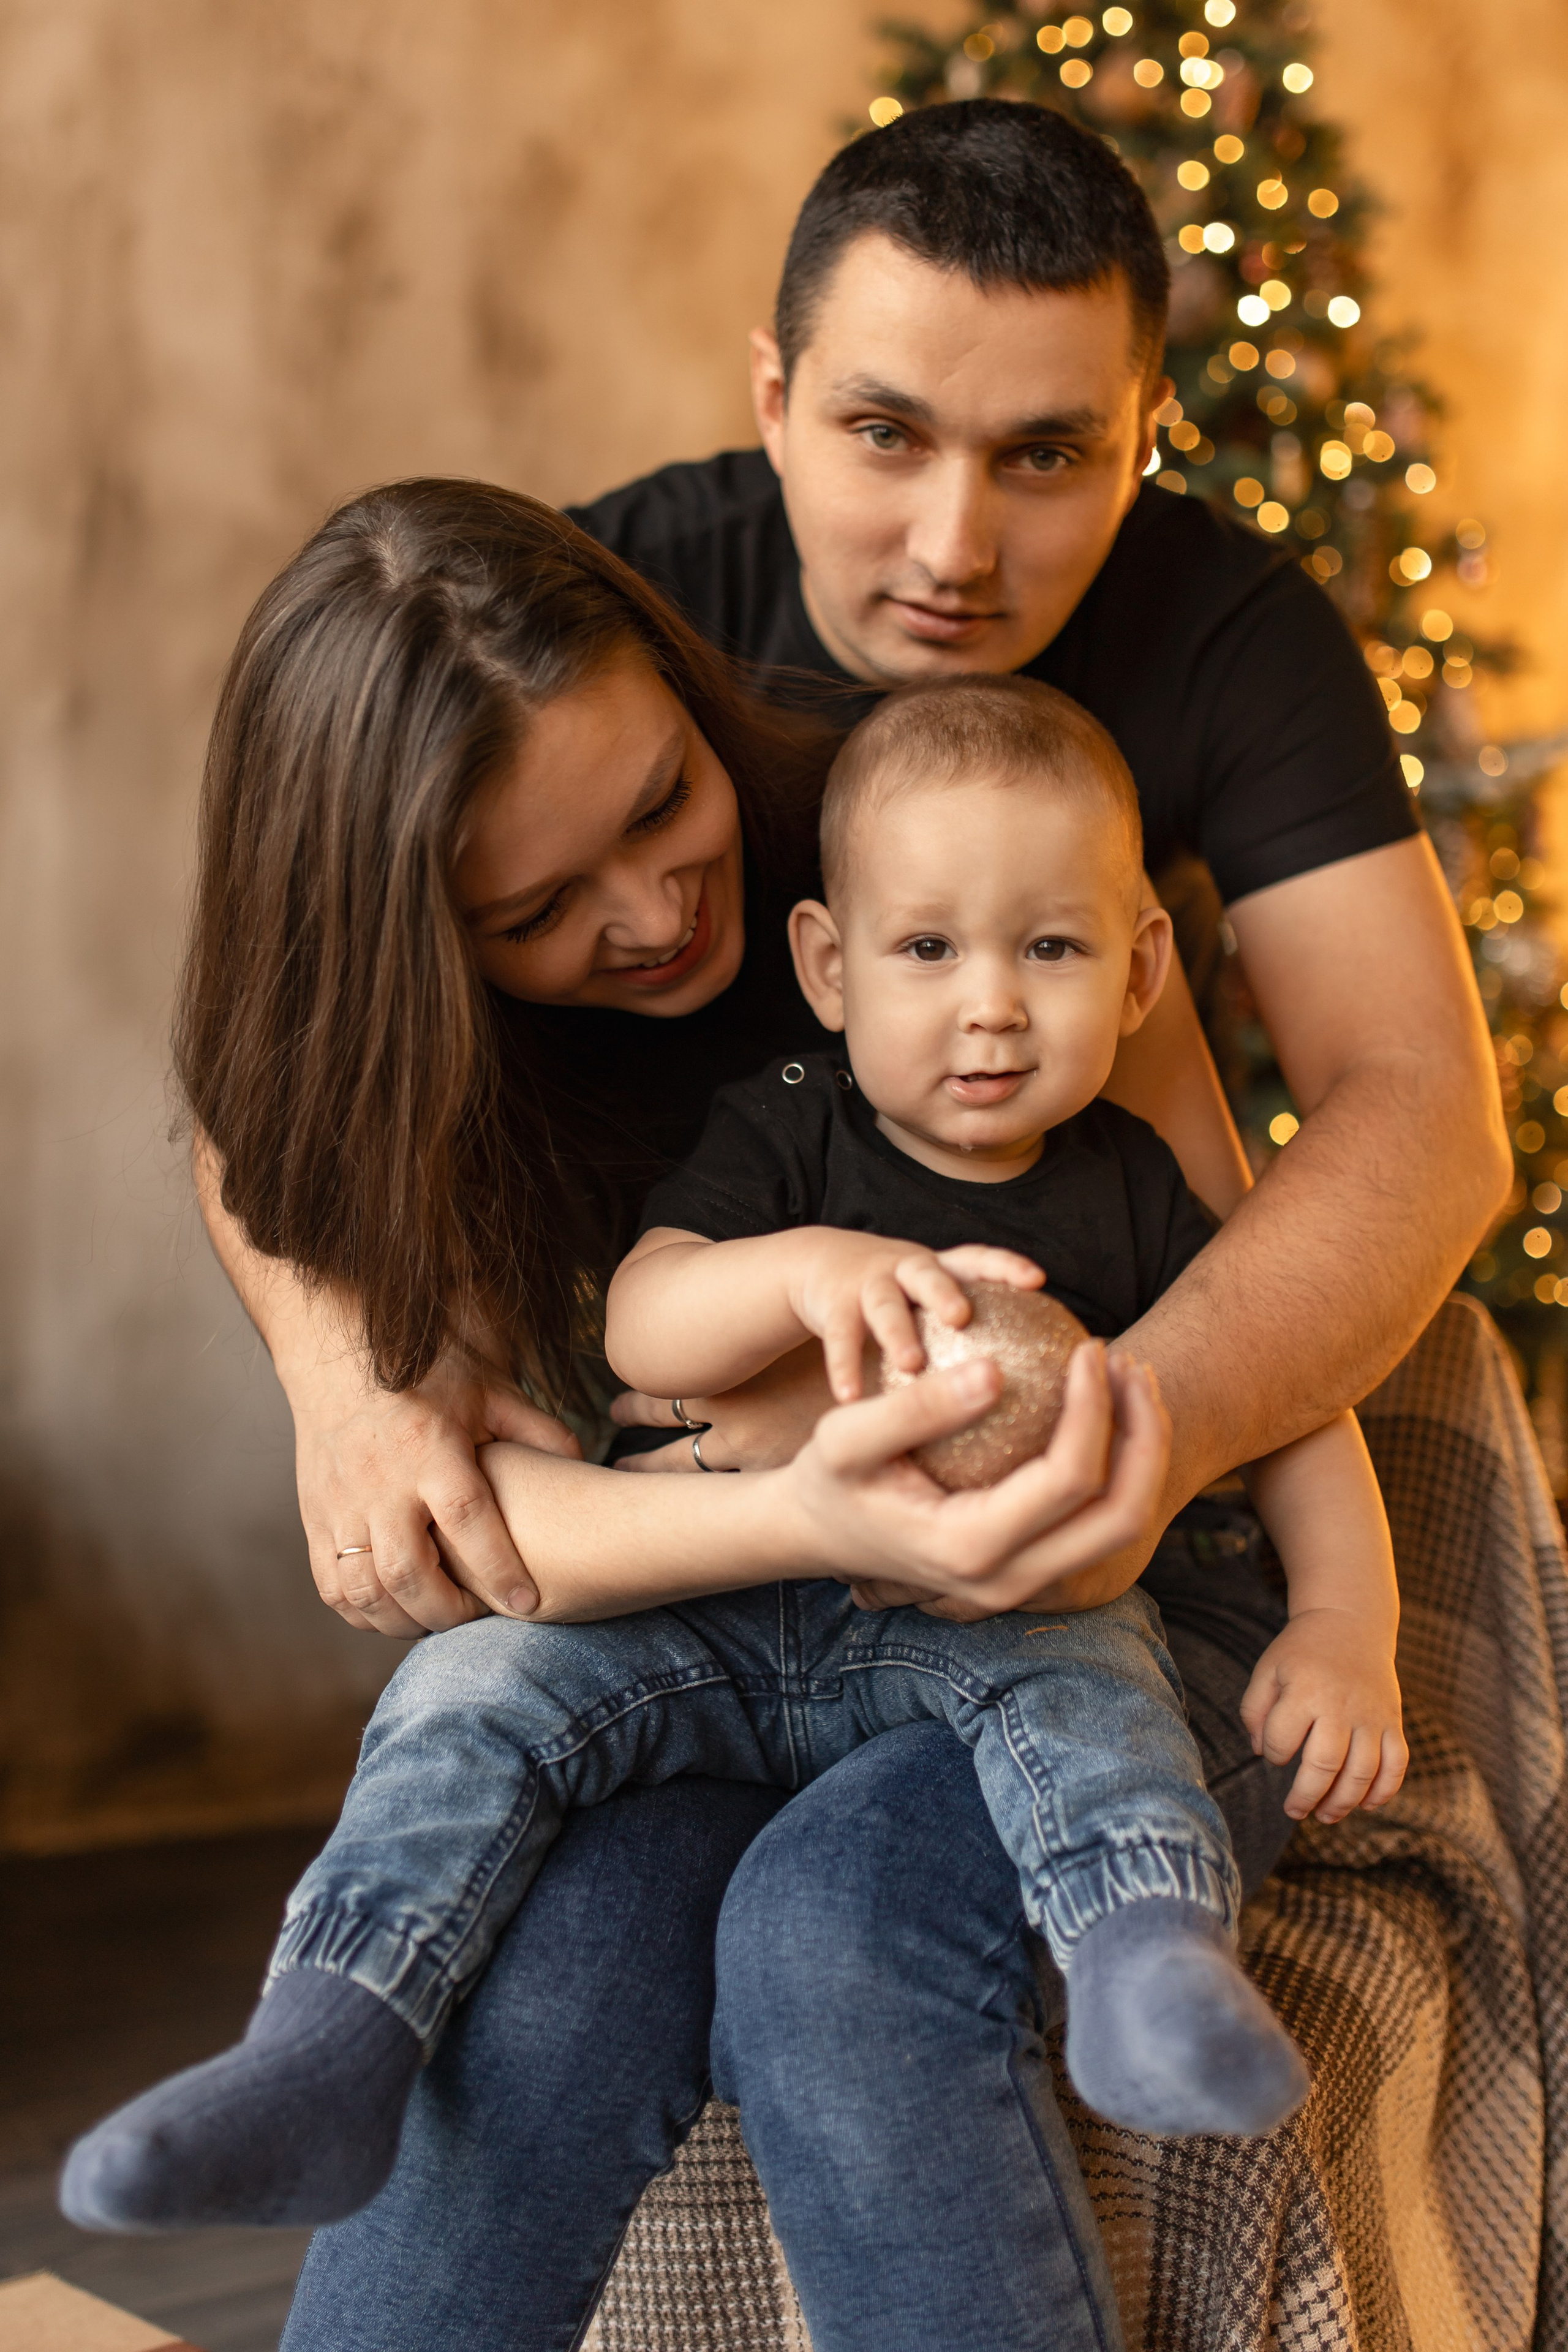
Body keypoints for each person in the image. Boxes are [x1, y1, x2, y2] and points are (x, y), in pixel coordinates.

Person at [116, 98, 1501, 2352]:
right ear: (768, 400)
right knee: (555, 1964)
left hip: (1050, 1602)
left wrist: (1115, 1444)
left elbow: (1351, 1159)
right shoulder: (517, 694)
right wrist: (342, 1385)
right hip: (710, 1610)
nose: (661, 911)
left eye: (675, 817)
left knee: (840, 1933)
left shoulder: (1024, 894)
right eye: (540, 909)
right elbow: (291, 1124)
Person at [65, 679, 1414, 2237]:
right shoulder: (788, 1122)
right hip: (715, 1612)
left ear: (1138, 972)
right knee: (468, 1687)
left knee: (1101, 1688)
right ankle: (330, 2036)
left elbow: (1291, 1401)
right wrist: (804, 1275)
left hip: (988, 1620)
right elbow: (643, 1325)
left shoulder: (1132, 1184)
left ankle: (1145, 1971)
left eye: (1049, 948)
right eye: (926, 949)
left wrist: (1340, 1623)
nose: (989, 1004)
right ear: (828, 971)